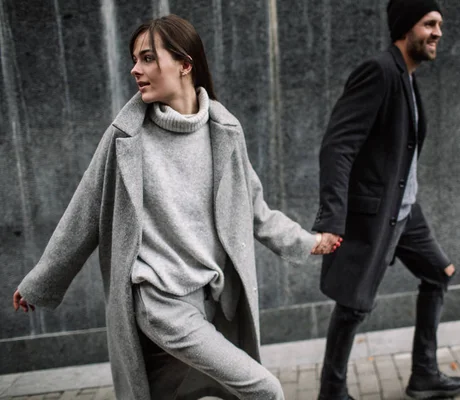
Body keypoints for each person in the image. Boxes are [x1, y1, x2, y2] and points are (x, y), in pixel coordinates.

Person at [13, 14, 341, 400]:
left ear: (186, 64)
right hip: (160, 302)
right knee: (264, 390)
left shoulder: (225, 133)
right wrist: (40, 282)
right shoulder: (126, 138)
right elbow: (83, 213)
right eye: (135, 59)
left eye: (149, 58)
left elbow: (256, 210)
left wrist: (309, 241)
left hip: (209, 300)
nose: (136, 69)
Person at [312, 1, 460, 399]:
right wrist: (333, 218)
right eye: (429, 24)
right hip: (376, 215)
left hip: (406, 213)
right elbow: (337, 146)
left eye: (440, 25)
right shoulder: (379, 72)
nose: (438, 32)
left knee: (439, 274)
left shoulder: (407, 79)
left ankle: (424, 374)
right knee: (354, 304)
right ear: (405, 27)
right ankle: (332, 392)